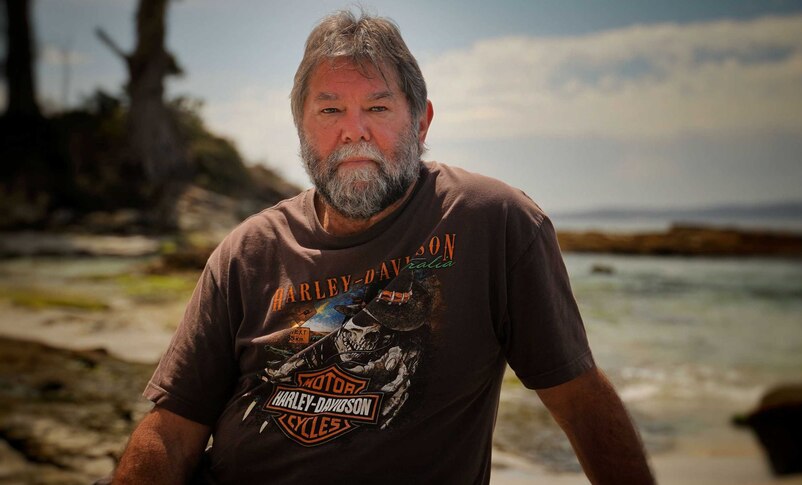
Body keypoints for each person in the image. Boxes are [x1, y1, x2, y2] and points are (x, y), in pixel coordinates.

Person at [112, 9, 655, 484]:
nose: (354, 132)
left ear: (421, 121)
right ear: (301, 128)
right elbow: (175, 430)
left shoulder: (494, 223)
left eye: (377, 108)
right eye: (329, 111)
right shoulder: (247, 251)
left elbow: (579, 399)